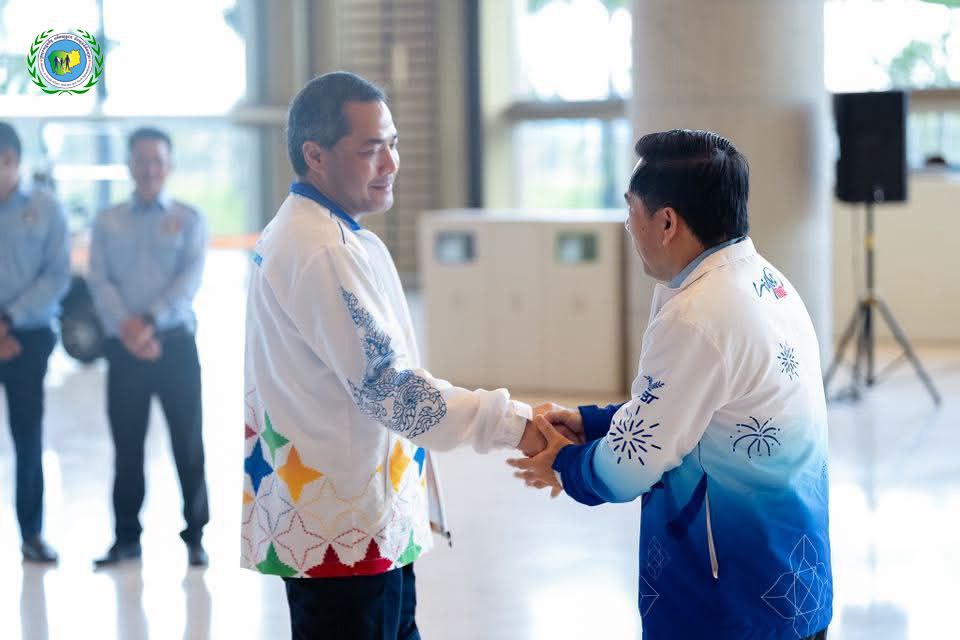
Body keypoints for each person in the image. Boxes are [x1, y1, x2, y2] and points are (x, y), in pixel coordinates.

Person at [242, 71, 551, 640]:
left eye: (393, 144)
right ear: (315, 155)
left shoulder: (330, 234)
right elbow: (394, 391)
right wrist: (517, 425)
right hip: (341, 534)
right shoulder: (322, 249)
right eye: (369, 150)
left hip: (354, 525)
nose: (390, 163)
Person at [510, 129, 833, 640]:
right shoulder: (767, 282)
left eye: (631, 210)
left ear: (666, 222)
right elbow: (698, 412)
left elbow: (630, 467)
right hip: (792, 585)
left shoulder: (697, 316)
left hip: (730, 606)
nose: (628, 225)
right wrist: (590, 423)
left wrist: (564, 463)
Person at [87, 127, 209, 567]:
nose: (149, 169)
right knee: (127, 447)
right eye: (141, 160)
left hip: (175, 347)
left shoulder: (190, 218)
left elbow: (188, 281)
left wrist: (150, 322)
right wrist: (129, 329)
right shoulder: (107, 221)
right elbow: (99, 280)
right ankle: (126, 539)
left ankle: (195, 535)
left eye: (157, 160)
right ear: (129, 165)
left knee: (188, 443)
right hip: (124, 349)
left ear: (169, 165)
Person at [0, 121, 71, 563]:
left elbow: (57, 275)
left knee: (28, 437)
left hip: (27, 338)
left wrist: (8, 320)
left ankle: (32, 533)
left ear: (11, 160)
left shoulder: (46, 208)